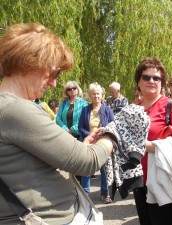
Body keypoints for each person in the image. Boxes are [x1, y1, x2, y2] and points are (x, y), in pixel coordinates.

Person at [0, 22, 114, 225]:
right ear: (28, 63)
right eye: (53, 73)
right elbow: (87, 162)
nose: (54, 83)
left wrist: (80, 145)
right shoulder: (16, 109)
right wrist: (111, 137)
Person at [133, 57, 172, 225]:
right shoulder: (134, 108)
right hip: (139, 179)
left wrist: (151, 147)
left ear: (162, 82)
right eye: (146, 77)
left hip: (163, 180)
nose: (151, 81)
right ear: (139, 81)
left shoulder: (170, 106)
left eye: (156, 78)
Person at [78, 82, 114, 203]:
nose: (96, 96)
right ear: (89, 95)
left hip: (103, 142)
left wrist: (103, 136)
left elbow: (113, 125)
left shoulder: (107, 110)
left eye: (98, 93)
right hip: (89, 142)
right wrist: (89, 136)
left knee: (104, 169)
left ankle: (105, 192)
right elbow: (81, 126)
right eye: (93, 94)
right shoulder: (85, 110)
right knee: (87, 168)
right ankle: (85, 193)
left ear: (102, 95)